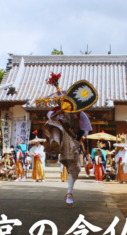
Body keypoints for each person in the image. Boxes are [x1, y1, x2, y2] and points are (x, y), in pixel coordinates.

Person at [41, 74, 95, 206]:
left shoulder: (79, 113)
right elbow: (49, 116)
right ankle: (55, 142)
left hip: (72, 142)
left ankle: (69, 192)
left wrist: (78, 138)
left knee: (73, 169)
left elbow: (85, 129)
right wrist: (56, 114)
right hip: (60, 138)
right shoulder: (54, 111)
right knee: (53, 123)